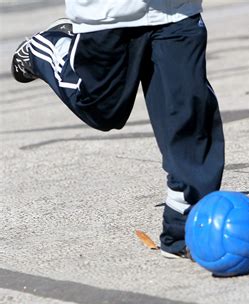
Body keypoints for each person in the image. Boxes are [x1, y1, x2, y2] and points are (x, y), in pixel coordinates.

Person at [11, 0, 225, 259]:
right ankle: (46, 47)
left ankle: (185, 229)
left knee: (188, 110)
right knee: (100, 108)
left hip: (177, 10)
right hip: (110, 11)